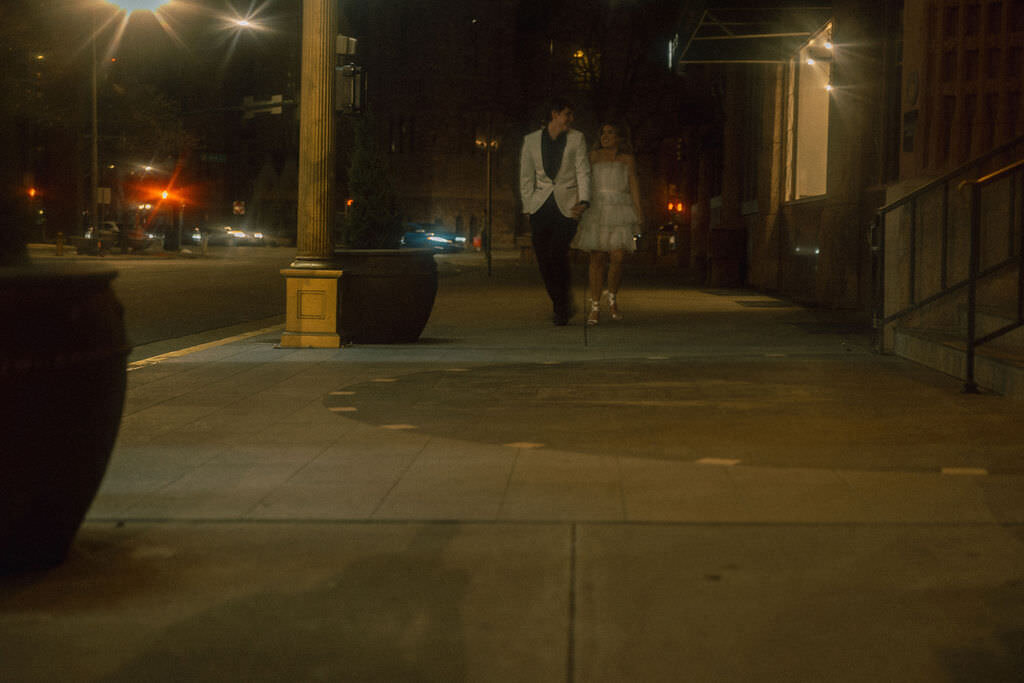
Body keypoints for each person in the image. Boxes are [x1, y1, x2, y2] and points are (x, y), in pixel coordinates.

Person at [519, 97, 592, 325]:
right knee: (543, 259)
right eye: (567, 114)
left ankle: (562, 305)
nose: (571, 119)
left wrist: (584, 200)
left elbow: (583, 170)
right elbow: (526, 176)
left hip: (568, 205)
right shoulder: (531, 141)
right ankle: (560, 302)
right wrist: (528, 206)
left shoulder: (576, 138)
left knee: (556, 252)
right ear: (555, 114)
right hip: (540, 205)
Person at [571, 122, 643, 325]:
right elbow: (583, 182)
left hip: (620, 207)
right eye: (603, 132)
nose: (605, 136)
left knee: (618, 256)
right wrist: (578, 204)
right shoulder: (593, 157)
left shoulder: (627, 159)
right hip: (598, 208)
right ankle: (594, 306)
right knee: (597, 257)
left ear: (619, 137)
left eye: (610, 132)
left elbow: (633, 186)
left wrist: (639, 213)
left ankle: (612, 298)